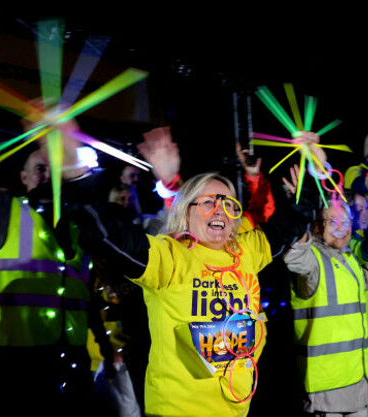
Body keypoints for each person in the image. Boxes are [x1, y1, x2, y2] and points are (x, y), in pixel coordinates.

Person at [76, 132, 325, 417]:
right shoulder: (169, 257)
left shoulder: (246, 250)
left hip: (237, 408)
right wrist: (75, 170)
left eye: (230, 204)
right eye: (208, 202)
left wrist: (315, 168)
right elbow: (106, 233)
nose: (222, 209)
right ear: (186, 212)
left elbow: (293, 219)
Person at [0, 39, 111, 416]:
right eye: (39, 167)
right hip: (18, 368)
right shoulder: (5, 212)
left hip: (76, 364)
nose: (47, 172)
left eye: (50, 163)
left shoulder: (82, 218)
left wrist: (66, 144)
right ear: (24, 177)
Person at [283, 192, 368, 417]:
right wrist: (300, 212)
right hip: (327, 384)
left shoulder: (349, 258)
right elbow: (295, 257)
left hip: (359, 377)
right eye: (333, 221)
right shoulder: (314, 259)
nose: (341, 226)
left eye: (346, 221)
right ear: (318, 226)